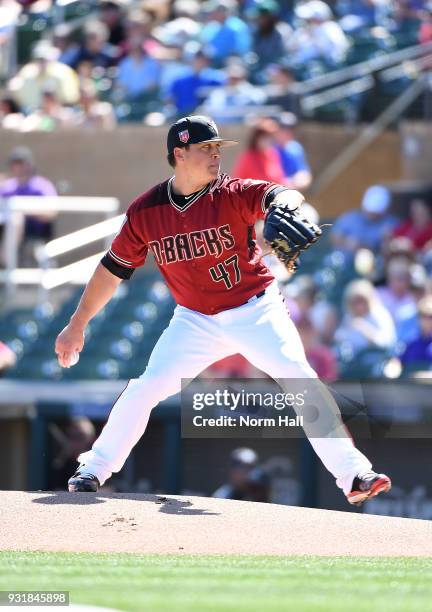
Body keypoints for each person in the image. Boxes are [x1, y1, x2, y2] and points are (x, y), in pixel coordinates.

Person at [56, 114, 391, 506]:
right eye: (206, 149)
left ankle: (354, 474)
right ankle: (92, 469)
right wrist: (77, 323)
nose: (216, 156)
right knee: (146, 387)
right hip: (194, 319)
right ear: (179, 154)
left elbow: (279, 194)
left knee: (300, 379)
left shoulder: (232, 192)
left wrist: (287, 202)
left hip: (255, 309)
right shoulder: (146, 211)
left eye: (218, 148)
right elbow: (112, 268)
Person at [0, 146, 57, 265]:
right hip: (6, 232)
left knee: (16, 217)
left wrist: (24, 210)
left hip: (34, 234)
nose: (18, 167)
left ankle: (4, 260)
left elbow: (52, 212)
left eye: (21, 163)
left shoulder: (41, 185)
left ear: (29, 165)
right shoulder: (8, 186)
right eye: (14, 163)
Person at [335, 279, 396, 356]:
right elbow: (340, 338)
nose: (358, 306)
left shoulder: (379, 314)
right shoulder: (349, 316)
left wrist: (365, 329)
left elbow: (387, 342)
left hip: (378, 359)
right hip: (355, 361)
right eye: (355, 302)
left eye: (361, 301)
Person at [331, 185, 398, 255]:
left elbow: (388, 250)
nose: (371, 214)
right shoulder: (350, 218)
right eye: (369, 210)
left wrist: (362, 247)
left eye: (375, 212)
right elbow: (335, 235)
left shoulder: (391, 224)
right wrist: (345, 242)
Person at [232, 118, 289, 184]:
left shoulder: (273, 154)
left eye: (270, 137)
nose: (268, 141)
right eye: (265, 137)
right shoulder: (248, 157)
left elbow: (279, 178)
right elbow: (237, 183)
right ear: (257, 139)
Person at [273, 113, 313, 190]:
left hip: (290, 192)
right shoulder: (268, 148)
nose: (287, 132)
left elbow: (304, 173)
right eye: (283, 128)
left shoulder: (295, 148)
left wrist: (300, 180)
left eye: (291, 129)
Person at [400, 295, 432, 372]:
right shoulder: (411, 341)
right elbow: (399, 361)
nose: (427, 321)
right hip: (410, 382)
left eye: (430, 317)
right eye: (423, 316)